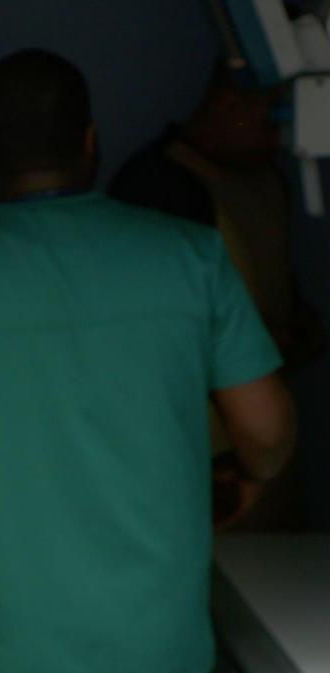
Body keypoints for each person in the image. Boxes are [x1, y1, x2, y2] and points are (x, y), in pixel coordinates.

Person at [0, 49, 296, 673]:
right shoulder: (190, 258)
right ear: (90, 140)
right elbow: (267, 431)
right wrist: (251, 477)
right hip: (158, 648)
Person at [108, 64, 325, 527]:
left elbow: (276, 286)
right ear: (229, 103)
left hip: (268, 454)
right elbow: (144, 342)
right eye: (272, 121)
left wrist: (298, 334)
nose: (277, 140)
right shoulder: (162, 188)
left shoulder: (267, 180)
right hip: (203, 464)